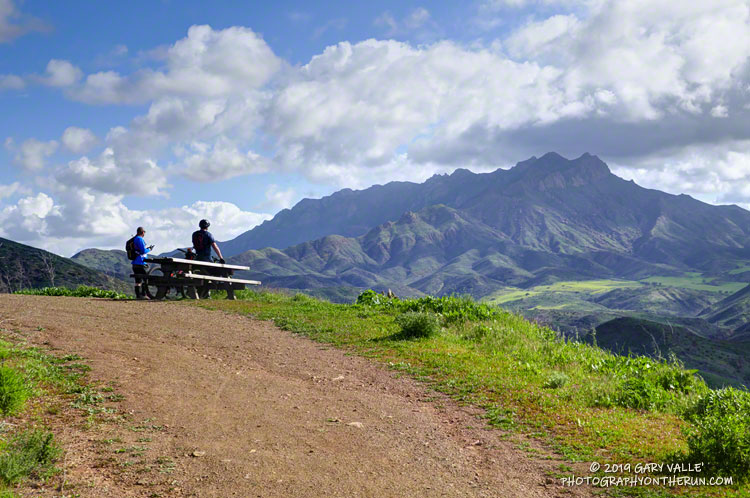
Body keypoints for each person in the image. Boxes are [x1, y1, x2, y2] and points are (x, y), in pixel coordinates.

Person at [131, 226, 154, 300]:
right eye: (144, 232)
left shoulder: (135, 239)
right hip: (141, 262)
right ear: (142, 232)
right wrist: (149, 249)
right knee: (145, 279)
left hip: (135, 262)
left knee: (138, 280)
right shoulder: (139, 239)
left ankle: (138, 295)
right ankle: (143, 295)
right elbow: (143, 251)